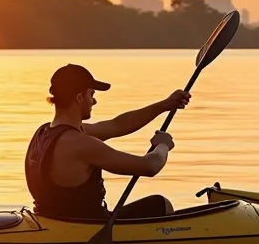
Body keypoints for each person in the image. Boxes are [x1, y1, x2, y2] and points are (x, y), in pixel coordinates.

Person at [24, 63, 190, 222]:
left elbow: (116, 125)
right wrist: (163, 145)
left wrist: (164, 105)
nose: (94, 102)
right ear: (80, 97)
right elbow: (149, 166)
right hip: (87, 228)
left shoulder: (43, 133)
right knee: (160, 204)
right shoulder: (80, 144)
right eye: (92, 95)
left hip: (52, 221)